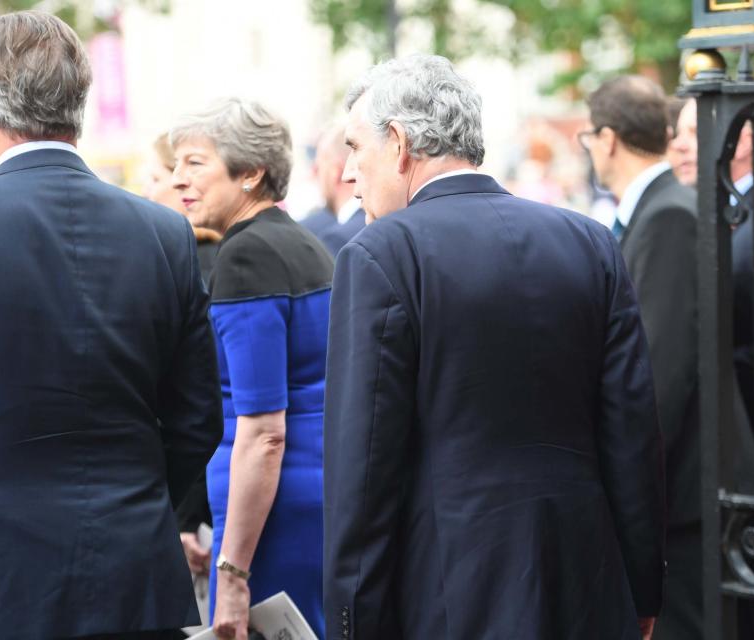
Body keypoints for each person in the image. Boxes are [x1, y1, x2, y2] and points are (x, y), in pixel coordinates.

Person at [0, 11, 224, 639]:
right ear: (80, 107)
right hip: (132, 570)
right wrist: (136, 495)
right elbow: (198, 417)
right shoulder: (163, 233)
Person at [324, 54, 665, 640]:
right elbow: (632, 437)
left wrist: (353, 621)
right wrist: (641, 592)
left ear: (400, 143)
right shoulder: (588, 242)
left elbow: (364, 466)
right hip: (589, 582)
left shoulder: (382, 253)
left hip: (450, 592)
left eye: (356, 148)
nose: (348, 174)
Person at [171, 97, 332, 640]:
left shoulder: (246, 258)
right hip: (305, 500)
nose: (177, 180)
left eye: (195, 162)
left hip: (268, 519)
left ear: (250, 173)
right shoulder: (302, 244)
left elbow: (264, 432)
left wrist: (234, 571)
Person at [583, 75, 701, 640]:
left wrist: (627, 491)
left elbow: (657, 374)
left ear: (607, 139)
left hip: (678, 500)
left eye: (587, 138)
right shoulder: (653, 211)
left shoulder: (667, 215)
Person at [143, 132, 222, 284]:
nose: (146, 191)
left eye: (155, 179)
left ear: (183, 183)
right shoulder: (181, 252)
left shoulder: (199, 258)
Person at [313, 123, 365, 256]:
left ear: (335, 172)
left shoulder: (338, 240)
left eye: (318, 167)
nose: (313, 174)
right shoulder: (387, 225)